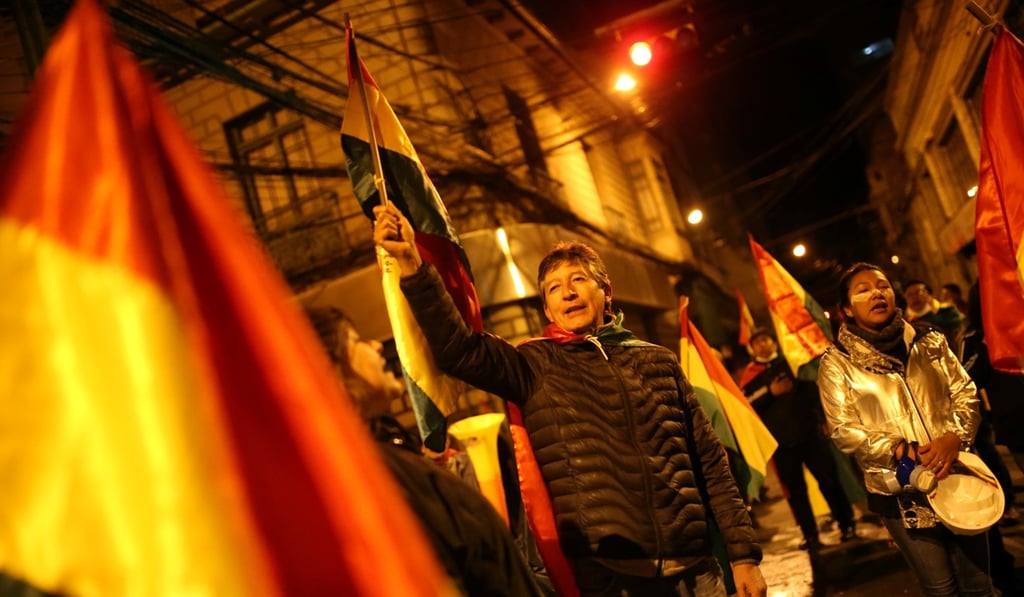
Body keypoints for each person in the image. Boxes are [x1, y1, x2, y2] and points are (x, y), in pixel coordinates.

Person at [373, 203, 767, 597]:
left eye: (578, 279)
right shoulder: (532, 364)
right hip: (610, 579)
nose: (568, 292)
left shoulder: (659, 362)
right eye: (554, 288)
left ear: (606, 293)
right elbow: (459, 349)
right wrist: (412, 264)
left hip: (697, 572)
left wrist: (743, 556)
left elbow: (711, 464)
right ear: (547, 308)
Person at [304, 305, 544, 597]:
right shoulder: (371, 476)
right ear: (332, 370)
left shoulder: (385, 456)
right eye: (356, 340)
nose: (376, 345)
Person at [817, 263, 992, 596]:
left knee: (979, 585)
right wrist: (897, 447)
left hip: (957, 472)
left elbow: (965, 392)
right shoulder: (837, 362)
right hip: (901, 492)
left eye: (882, 286)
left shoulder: (929, 340)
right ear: (846, 309)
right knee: (941, 590)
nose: (877, 293)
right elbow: (843, 429)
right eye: (863, 290)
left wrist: (954, 437)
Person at [739, 328, 856, 550]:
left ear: (774, 342)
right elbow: (746, 404)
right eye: (757, 342)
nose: (762, 344)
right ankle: (810, 535)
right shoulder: (751, 376)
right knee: (796, 492)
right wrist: (770, 392)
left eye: (765, 339)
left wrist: (824, 418)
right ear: (752, 349)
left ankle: (847, 524)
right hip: (781, 443)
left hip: (810, 433)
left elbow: (813, 388)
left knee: (829, 481)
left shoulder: (792, 361)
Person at [902, 279, 964, 344]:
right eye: (909, 295)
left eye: (918, 292)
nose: (914, 297)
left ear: (929, 294)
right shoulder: (905, 322)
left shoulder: (947, 312)